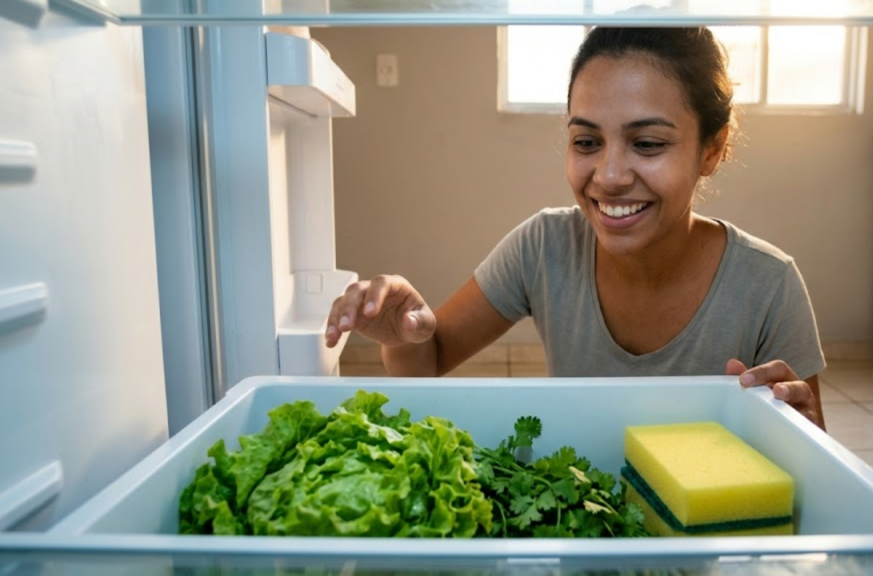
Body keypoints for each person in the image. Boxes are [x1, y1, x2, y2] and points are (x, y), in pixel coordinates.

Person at [325, 27, 827, 430]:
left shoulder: (769, 286)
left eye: (648, 143)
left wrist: (799, 438)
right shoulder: (544, 247)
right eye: (586, 142)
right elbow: (428, 362)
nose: (608, 177)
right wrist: (400, 334)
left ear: (711, 150)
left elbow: (811, 471)